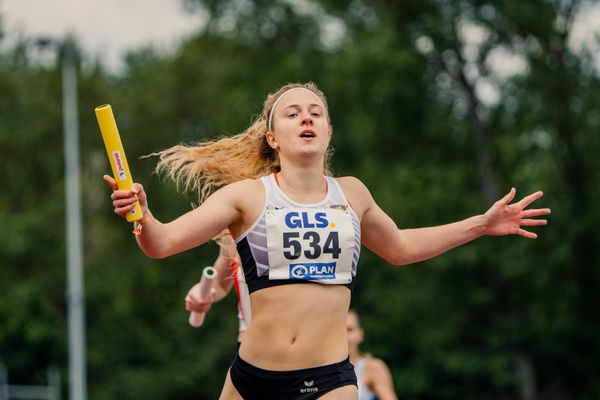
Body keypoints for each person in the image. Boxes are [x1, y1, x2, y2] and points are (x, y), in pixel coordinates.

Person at [103, 82, 550, 399]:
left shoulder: (352, 194)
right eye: (293, 113)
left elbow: (401, 249)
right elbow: (161, 243)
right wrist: (140, 215)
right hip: (252, 380)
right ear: (273, 138)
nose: (307, 118)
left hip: (330, 380)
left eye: (316, 112)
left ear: (329, 132)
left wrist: (480, 224)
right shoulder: (245, 197)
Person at [185, 235, 250, 344]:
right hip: (249, 347)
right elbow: (220, 284)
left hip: (286, 351)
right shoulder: (233, 227)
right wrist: (201, 292)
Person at [347, 310, 397, 400]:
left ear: (360, 334)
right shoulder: (320, 370)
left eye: (349, 330)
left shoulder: (373, 368)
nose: (345, 336)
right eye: (339, 330)